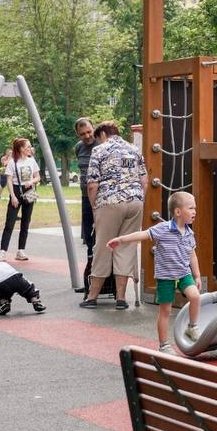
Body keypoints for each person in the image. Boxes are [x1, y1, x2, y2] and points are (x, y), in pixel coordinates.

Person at [108, 191, 201, 353]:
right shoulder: (163, 229)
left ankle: (192, 327)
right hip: (166, 277)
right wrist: (121, 239)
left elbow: (192, 255)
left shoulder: (189, 233)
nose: (195, 211)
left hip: (184, 274)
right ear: (178, 212)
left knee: (195, 296)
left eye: (195, 208)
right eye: (191, 208)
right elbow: (143, 234)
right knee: (165, 310)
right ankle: (164, 345)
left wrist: (197, 275)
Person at [81, 121, 147, 309]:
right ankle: (121, 299)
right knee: (126, 248)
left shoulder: (99, 150)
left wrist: (94, 206)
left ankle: (92, 297)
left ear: (102, 134)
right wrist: (139, 200)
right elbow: (144, 180)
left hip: (109, 202)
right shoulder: (134, 149)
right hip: (135, 202)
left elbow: (92, 184)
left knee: (103, 247)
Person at [0, 248, 46, 316]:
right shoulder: (3, 264)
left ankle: (4, 304)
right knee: (29, 290)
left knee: (1, 296)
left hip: (0, 285)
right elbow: (16, 273)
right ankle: (35, 301)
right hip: (16, 279)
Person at [2, 138, 40, 262]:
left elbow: (37, 177)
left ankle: (21, 250)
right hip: (16, 190)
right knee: (9, 223)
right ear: (21, 149)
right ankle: (3, 251)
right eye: (28, 147)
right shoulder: (12, 162)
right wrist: (13, 196)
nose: (30, 148)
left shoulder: (31, 160)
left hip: (29, 191)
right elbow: (9, 180)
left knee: (25, 222)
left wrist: (31, 181)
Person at [74, 117, 97, 290]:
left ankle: (103, 282)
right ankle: (89, 280)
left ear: (93, 128)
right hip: (85, 197)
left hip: (100, 198)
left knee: (101, 238)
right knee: (89, 239)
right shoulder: (79, 148)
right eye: (82, 134)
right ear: (78, 135)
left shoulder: (101, 144)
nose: (87, 136)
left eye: (89, 131)